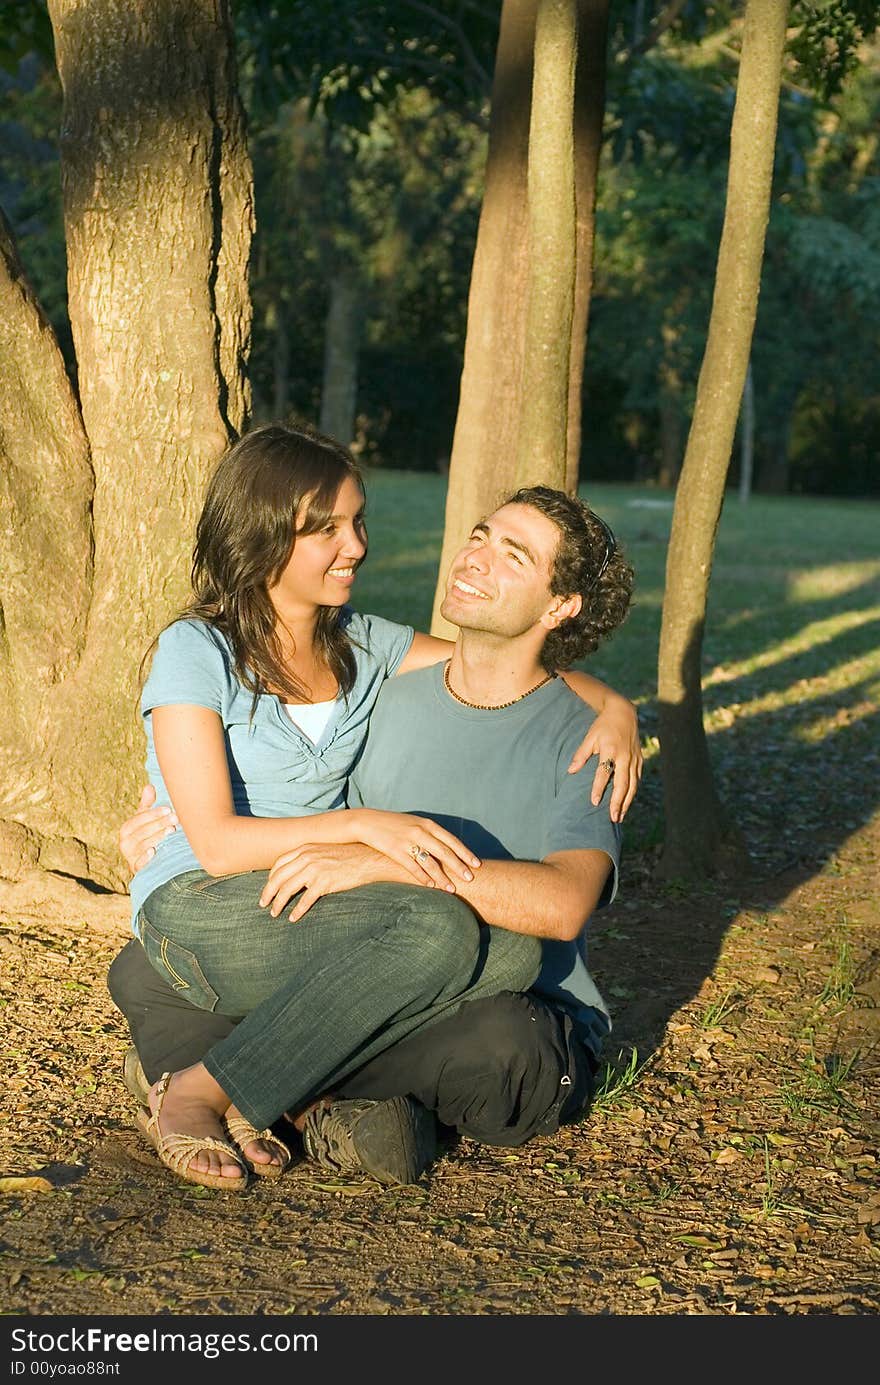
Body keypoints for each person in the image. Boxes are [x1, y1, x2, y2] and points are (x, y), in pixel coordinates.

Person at [111, 461, 637, 1187]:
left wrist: (617, 706)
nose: (476, 556)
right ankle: (310, 1099)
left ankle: (243, 1077)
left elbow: (564, 902)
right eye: (481, 535)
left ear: (559, 607)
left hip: (491, 1006)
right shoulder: (380, 692)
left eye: (512, 555)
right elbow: (273, 811)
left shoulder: (584, 739)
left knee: (508, 1030)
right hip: (379, 952)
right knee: (148, 966)